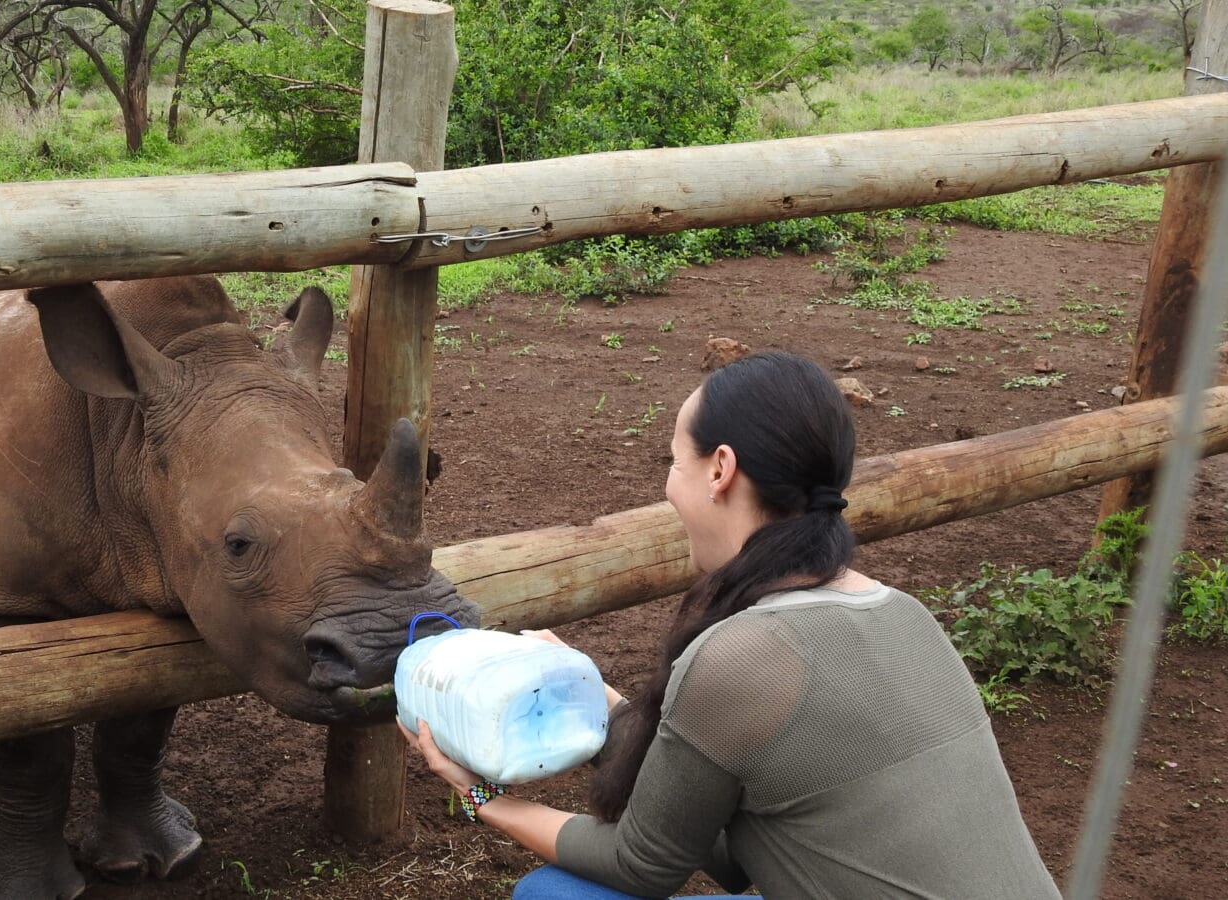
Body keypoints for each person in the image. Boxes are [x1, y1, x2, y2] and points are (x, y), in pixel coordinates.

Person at [400, 351, 1059, 900]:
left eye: (672, 462)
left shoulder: (743, 657)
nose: (668, 487)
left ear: (720, 469)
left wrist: (481, 795)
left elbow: (642, 866)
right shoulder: (900, 613)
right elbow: (740, 850)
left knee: (554, 896)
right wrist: (602, 704)